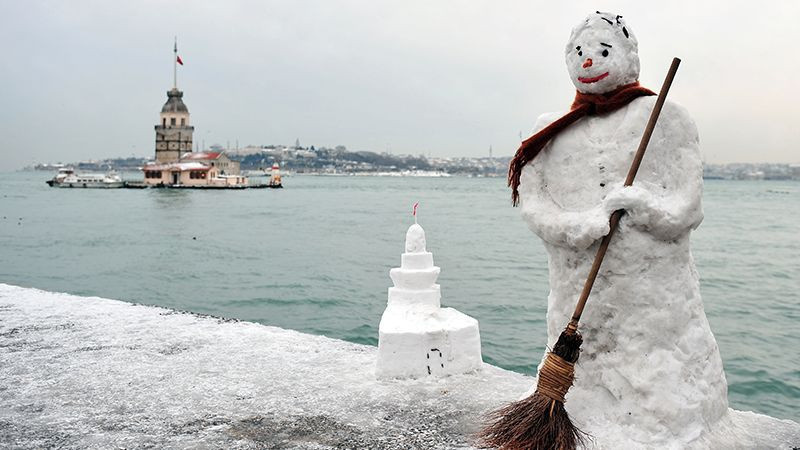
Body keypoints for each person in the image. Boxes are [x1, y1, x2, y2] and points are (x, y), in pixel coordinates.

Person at [513, 11, 728, 445]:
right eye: (578, 51)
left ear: (628, 56)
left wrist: (643, 205)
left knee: (653, 373)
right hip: (575, 289)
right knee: (585, 363)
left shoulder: (665, 117)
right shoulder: (549, 131)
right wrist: (580, 225)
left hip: (653, 299)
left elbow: (687, 207)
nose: (588, 60)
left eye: (603, 50)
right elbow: (533, 205)